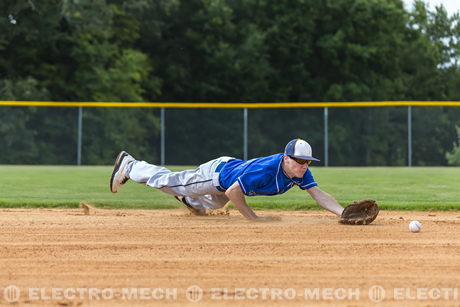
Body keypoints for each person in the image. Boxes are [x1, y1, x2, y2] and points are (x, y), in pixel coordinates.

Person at [110, 138, 344, 221]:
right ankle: (131, 165)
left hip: (231, 171)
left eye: (307, 162)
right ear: (285, 158)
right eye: (299, 161)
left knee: (216, 203)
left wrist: (342, 213)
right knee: (171, 183)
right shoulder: (265, 170)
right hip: (216, 174)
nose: (304, 166)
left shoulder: (300, 172)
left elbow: (319, 195)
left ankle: (190, 202)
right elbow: (234, 192)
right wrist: (253, 218)